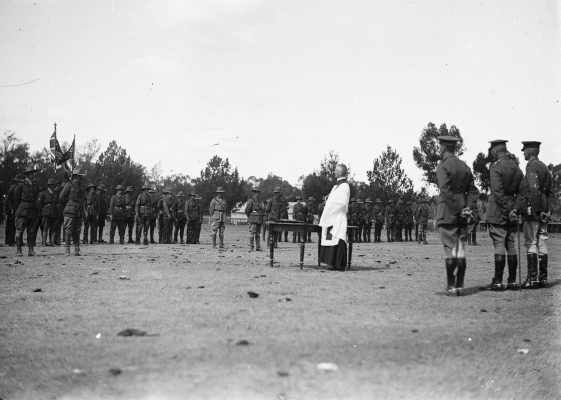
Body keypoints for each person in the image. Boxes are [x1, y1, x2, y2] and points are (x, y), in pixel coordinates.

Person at [436, 135, 476, 295]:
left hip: (448, 212)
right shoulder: (464, 166)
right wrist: (467, 207)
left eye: (440, 146)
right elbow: (473, 190)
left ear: (444, 147)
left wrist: (459, 208)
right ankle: (459, 285)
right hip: (463, 215)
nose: (439, 149)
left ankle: (451, 286)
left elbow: (445, 191)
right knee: (460, 249)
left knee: (449, 250)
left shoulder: (443, 166)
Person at [485, 140, 523, 290]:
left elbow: (498, 193)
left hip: (498, 211)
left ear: (496, 151)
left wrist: (508, 210)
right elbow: (521, 193)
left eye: (492, 150)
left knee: (499, 244)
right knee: (511, 244)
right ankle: (512, 281)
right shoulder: (517, 169)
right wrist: (514, 209)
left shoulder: (495, 167)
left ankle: (498, 281)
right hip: (512, 212)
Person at [516, 141, 552, 288]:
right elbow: (549, 191)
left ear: (530, 152)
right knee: (542, 242)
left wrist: (532, 208)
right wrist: (546, 210)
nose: (523, 153)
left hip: (534, 211)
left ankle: (533, 279)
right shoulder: (544, 167)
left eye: (524, 151)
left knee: (531, 242)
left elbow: (533, 189)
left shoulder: (531, 166)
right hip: (544, 209)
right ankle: (543, 278)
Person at [319, 164, 350, 271]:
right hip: (331, 217)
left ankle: (338, 264)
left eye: (336, 170)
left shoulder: (345, 186)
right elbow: (331, 201)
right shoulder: (335, 186)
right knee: (329, 239)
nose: (334, 172)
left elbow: (342, 202)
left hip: (338, 217)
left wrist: (331, 205)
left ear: (341, 172)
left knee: (338, 238)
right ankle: (330, 263)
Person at [59, 169, 86, 256]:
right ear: (75, 176)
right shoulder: (69, 185)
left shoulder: (81, 187)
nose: (79, 178)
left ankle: (76, 250)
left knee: (76, 230)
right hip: (71, 210)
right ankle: (68, 250)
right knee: (69, 230)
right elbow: (61, 197)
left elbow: (83, 199)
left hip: (77, 210)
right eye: (79, 176)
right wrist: (69, 203)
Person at [14, 166, 39, 256]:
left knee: (31, 231)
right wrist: (18, 209)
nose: (33, 175)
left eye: (33, 173)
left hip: (32, 210)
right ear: (27, 175)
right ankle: (18, 250)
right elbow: (16, 198)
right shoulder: (21, 185)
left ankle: (31, 250)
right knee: (20, 231)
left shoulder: (35, 185)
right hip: (22, 210)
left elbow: (36, 196)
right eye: (31, 173)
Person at [37, 178, 58, 246]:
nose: (52, 186)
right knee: (45, 228)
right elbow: (39, 204)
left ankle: (52, 242)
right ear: (48, 185)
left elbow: (57, 202)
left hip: (54, 212)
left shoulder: (55, 193)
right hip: (46, 212)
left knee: (53, 228)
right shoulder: (43, 193)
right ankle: (44, 242)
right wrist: (42, 211)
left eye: (53, 185)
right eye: (51, 185)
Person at [245, 186, 265, 251]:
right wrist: (250, 217)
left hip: (259, 219)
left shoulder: (261, 201)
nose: (257, 194)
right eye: (255, 192)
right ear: (253, 193)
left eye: (258, 192)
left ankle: (258, 247)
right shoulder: (251, 201)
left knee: (258, 234)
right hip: (253, 219)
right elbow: (247, 210)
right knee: (252, 233)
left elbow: (263, 209)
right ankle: (251, 247)